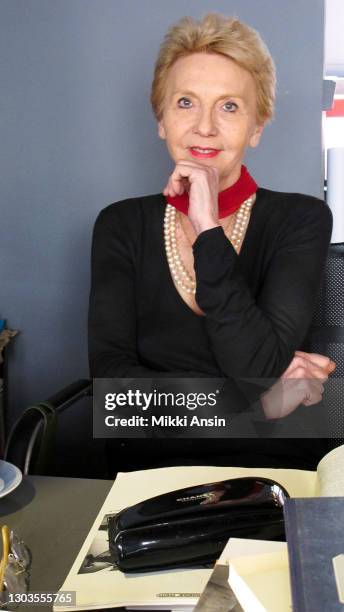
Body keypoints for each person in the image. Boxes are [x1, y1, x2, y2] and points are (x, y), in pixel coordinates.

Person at [88, 13, 334, 474]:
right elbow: (118, 397)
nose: (204, 126)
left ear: (257, 127)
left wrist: (206, 228)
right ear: (161, 118)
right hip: (148, 465)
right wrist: (257, 408)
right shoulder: (119, 225)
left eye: (229, 106)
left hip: (273, 468)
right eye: (185, 102)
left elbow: (256, 367)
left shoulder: (301, 219)